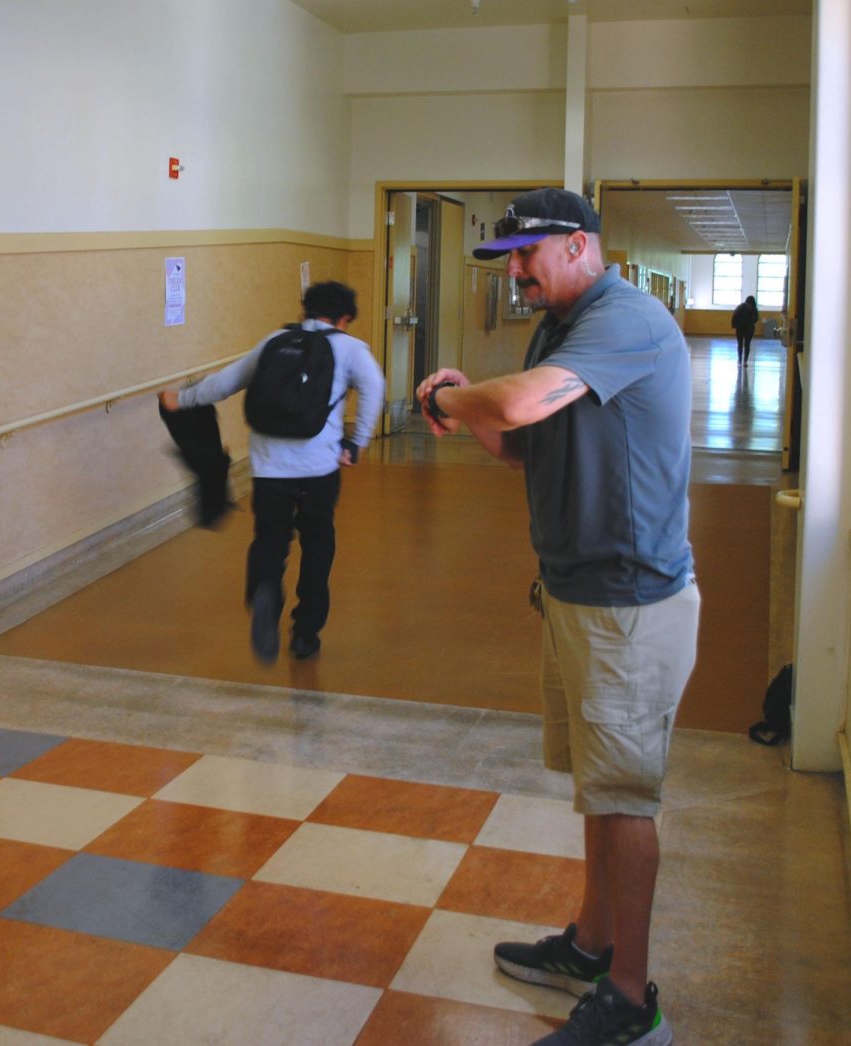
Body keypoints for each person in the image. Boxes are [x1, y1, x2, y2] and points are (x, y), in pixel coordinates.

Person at [415, 188, 699, 1046]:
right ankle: (590, 943)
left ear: (578, 245)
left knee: (625, 799)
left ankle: (630, 1003)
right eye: (506, 260)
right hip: (576, 592)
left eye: (526, 254)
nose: (516, 273)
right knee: (598, 792)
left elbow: (513, 407)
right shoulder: (561, 329)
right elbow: (518, 442)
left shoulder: (628, 318)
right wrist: (466, 406)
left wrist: (463, 401)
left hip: (630, 605)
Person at [159, 281, 384, 662]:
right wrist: (356, 444)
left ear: (305, 311)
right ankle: (305, 634)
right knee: (317, 545)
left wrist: (180, 399)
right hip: (319, 469)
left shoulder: (275, 341)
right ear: (344, 318)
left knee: (270, 540)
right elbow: (375, 388)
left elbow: (224, 383)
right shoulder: (350, 349)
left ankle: (265, 588)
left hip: (269, 468)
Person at [731, 294, 759, 366]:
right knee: (747, 345)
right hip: (749, 329)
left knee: (740, 344)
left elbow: (734, 315)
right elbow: (755, 319)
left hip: (739, 328)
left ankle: (739, 360)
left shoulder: (740, 306)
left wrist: (734, 325)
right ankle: (745, 361)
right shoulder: (754, 308)